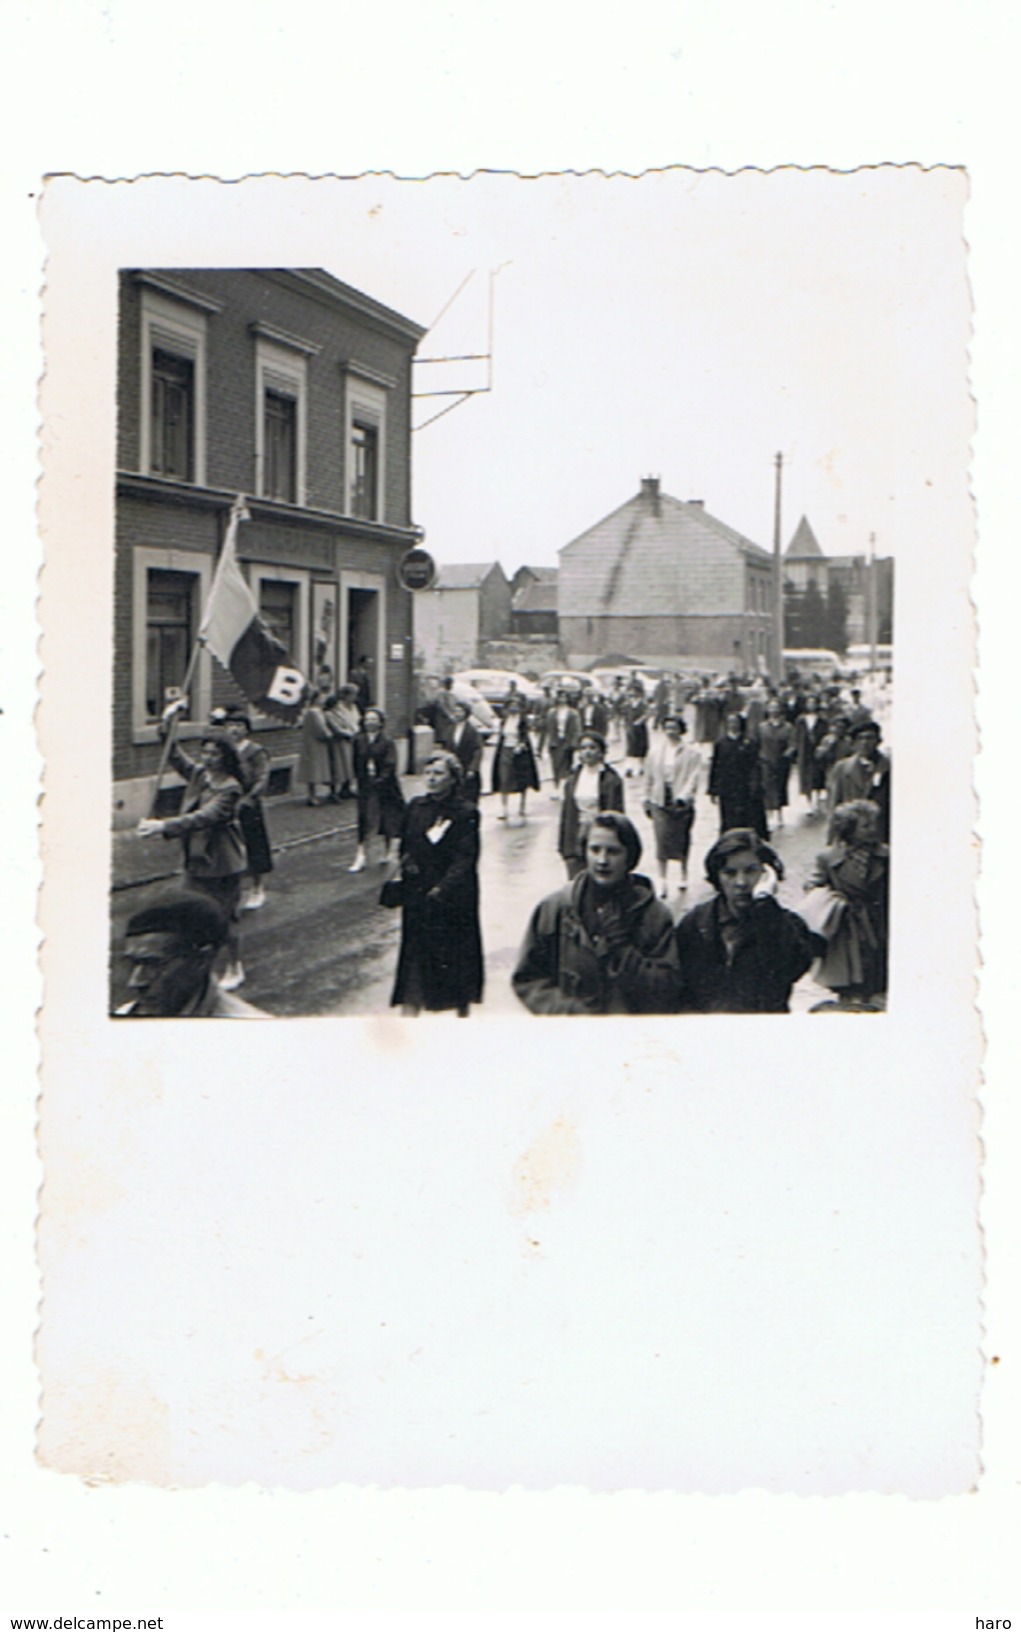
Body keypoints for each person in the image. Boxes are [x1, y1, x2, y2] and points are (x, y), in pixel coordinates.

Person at [513, 812, 681, 1015]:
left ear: (630, 856)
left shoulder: (654, 915)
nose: (602, 860)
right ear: (584, 852)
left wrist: (623, 951)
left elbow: (667, 989)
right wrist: (569, 1011)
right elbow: (528, 978)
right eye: (595, 850)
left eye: (613, 851)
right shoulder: (556, 908)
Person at [136, 707, 247, 989]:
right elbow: (174, 755)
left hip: (222, 862)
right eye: (205, 753)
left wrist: (163, 826)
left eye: (214, 754)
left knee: (224, 918)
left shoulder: (230, 788)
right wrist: (167, 721)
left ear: (226, 757)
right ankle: (195, 970)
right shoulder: (200, 775)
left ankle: (235, 966)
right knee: (189, 914)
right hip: (196, 859)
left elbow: (204, 817)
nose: (208, 759)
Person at [675, 829, 822, 1012]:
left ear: (768, 874)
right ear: (717, 877)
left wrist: (765, 908)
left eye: (751, 871)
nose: (741, 882)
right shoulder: (696, 922)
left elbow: (789, 970)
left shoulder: (786, 924)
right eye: (730, 873)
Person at [385, 750, 484, 1016]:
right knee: (415, 963)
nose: (431, 779)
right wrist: (405, 866)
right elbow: (405, 846)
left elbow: (466, 858)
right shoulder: (416, 806)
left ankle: (460, 1014)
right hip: (418, 897)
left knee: (453, 960)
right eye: (428, 773)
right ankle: (409, 1018)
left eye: (438, 773)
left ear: (453, 779)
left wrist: (442, 889)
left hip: (451, 899)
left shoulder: (465, 812)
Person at [115, 893, 267, 1017]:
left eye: (154, 964)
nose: (135, 981)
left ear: (202, 960)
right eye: (132, 963)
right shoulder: (127, 1014)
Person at [802, 798, 889, 1007]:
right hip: (847, 927)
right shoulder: (828, 858)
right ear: (849, 830)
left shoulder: (887, 856)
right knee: (851, 974)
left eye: (874, 823)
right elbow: (812, 884)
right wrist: (832, 899)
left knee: (877, 970)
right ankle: (850, 1002)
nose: (872, 829)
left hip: (879, 922)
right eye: (865, 825)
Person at [643, 712, 702, 897]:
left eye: (674, 728)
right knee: (661, 840)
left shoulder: (691, 752)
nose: (670, 732)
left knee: (681, 838)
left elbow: (694, 777)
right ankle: (662, 879)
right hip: (660, 799)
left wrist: (684, 796)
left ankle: (683, 874)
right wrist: (646, 797)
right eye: (667, 728)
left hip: (681, 802)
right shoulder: (655, 752)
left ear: (681, 730)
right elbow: (649, 776)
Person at [223, 708, 273, 909]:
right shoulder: (224, 749)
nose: (234, 730)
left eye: (239, 726)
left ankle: (257, 888)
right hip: (227, 803)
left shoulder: (255, 751)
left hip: (248, 804)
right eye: (230, 725)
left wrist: (249, 798)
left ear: (247, 729)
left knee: (254, 845)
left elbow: (262, 778)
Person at [558, 730, 625, 879]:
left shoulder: (611, 780)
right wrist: (564, 844)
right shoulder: (573, 778)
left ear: (601, 752)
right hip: (575, 835)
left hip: (599, 835)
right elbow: (567, 813)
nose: (587, 752)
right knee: (576, 881)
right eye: (583, 748)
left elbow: (617, 814)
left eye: (592, 748)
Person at [350, 707, 405, 872]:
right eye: (367, 719)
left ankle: (389, 851)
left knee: (387, 818)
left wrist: (381, 780)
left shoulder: (387, 741)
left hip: (385, 786)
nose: (370, 723)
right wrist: (355, 781)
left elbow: (390, 764)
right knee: (365, 819)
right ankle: (361, 855)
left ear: (380, 722)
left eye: (374, 719)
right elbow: (355, 762)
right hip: (365, 786)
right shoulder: (358, 740)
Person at [826, 720, 890, 839]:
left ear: (878, 741)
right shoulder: (843, 768)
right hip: (851, 834)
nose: (865, 743)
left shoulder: (889, 767)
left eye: (870, 738)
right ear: (853, 743)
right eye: (860, 739)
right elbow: (834, 802)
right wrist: (833, 835)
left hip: (882, 833)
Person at [708, 713, 768, 837]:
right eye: (730, 722)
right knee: (728, 817)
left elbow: (755, 765)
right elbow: (715, 766)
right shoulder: (721, 743)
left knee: (748, 816)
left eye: (735, 722)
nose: (733, 725)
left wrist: (756, 785)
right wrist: (713, 789)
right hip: (728, 787)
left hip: (745, 786)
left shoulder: (749, 742)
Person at [492, 694, 540, 824]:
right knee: (504, 778)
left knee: (522, 779)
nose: (513, 709)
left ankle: (522, 806)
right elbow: (502, 736)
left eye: (516, 706)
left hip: (520, 752)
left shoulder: (523, 721)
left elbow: (524, 735)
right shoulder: (504, 720)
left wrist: (521, 745)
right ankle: (504, 808)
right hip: (505, 750)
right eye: (511, 706)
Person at [756, 698, 796, 830]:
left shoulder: (787, 727)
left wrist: (786, 755)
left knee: (780, 787)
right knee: (767, 787)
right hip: (765, 762)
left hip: (781, 763)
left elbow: (792, 744)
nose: (774, 710)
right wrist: (760, 755)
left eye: (776, 707)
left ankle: (779, 813)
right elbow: (757, 744)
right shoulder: (762, 727)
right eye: (771, 708)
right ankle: (768, 814)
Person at [297, 687, 335, 805]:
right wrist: (328, 734)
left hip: (318, 744)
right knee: (313, 770)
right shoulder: (313, 713)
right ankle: (311, 795)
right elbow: (318, 729)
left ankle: (316, 794)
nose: (323, 700)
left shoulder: (319, 711)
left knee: (317, 769)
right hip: (313, 745)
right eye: (321, 698)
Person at [542, 687, 582, 798]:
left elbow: (576, 729)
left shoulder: (573, 713)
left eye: (564, 697)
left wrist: (575, 743)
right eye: (560, 697)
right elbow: (547, 729)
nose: (562, 699)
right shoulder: (552, 712)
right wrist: (544, 745)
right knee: (556, 766)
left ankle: (565, 789)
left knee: (566, 766)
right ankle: (556, 787)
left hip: (567, 742)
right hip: (555, 742)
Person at [793, 692, 828, 816]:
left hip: (817, 750)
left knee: (817, 775)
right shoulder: (801, 720)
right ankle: (807, 802)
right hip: (804, 751)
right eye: (809, 703)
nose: (811, 705)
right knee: (805, 777)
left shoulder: (822, 720)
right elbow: (796, 736)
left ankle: (816, 799)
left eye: (814, 702)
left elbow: (825, 735)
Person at [324, 682, 361, 799]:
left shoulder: (354, 707)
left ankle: (347, 788)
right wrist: (348, 734)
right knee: (339, 766)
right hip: (341, 741)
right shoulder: (337, 708)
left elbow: (357, 720)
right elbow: (336, 725)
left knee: (350, 765)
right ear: (345, 695)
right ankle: (334, 791)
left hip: (354, 739)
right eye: (353, 695)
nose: (355, 697)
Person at [446, 699, 484, 803]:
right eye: (455, 711)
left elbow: (478, 750)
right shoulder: (450, 728)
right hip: (454, 768)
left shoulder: (472, 730)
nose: (457, 714)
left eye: (460, 711)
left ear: (466, 713)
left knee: (467, 796)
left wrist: (473, 769)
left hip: (467, 767)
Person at [623, 683, 650, 778]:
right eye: (630, 694)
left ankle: (641, 768)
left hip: (640, 730)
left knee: (641, 750)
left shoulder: (643, 704)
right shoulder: (628, 705)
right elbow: (626, 717)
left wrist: (640, 721)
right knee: (630, 750)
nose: (632, 696)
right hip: (631, 731)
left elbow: (647, 715)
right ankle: (629, 769)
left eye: (634, 694)